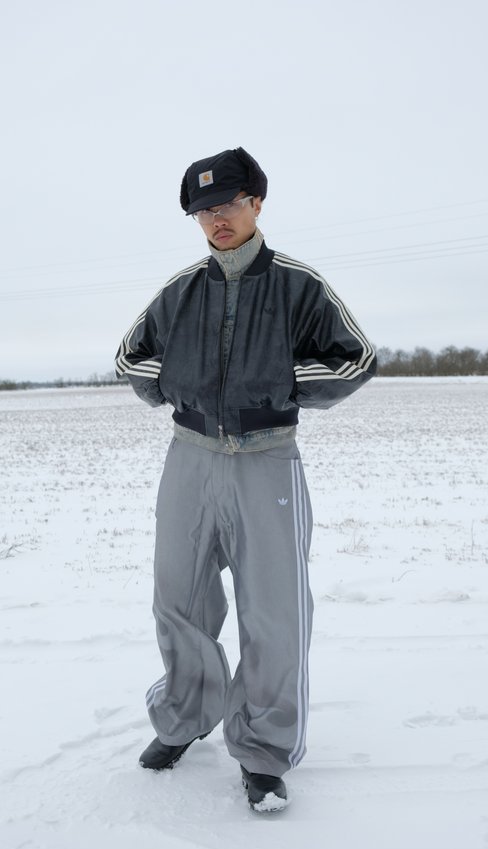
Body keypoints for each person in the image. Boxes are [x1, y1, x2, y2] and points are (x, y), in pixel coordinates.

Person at [115, 147, 376, 812]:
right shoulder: (180, 290)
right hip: (190, 456)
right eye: (201, 210)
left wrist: (282, 388)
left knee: (275, 613)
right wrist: (174, 385)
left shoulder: (298, 286)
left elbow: (357, 359)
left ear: (256, 203)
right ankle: (184, 716)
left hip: (267, 461)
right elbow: (129, 355)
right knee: (180, 599)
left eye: (226, 204)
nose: (214, 219)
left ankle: (262, 753)